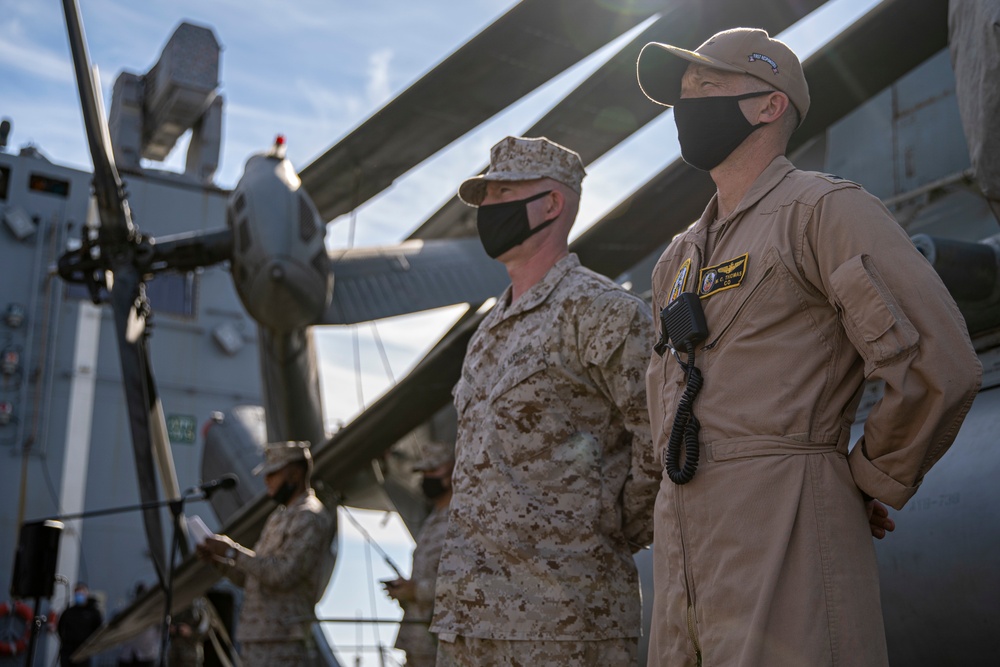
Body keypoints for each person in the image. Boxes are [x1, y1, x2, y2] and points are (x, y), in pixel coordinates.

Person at [635, 27, 983, 666]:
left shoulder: (823, 211)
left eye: (707, 87)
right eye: (682, 95)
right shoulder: (677, 259)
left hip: (786, 523)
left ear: (769, 105)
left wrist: (861, 478)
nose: (688, 106)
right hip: (685, 545)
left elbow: (939, 361)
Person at [429, 136, 659, 666]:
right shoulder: (487, 331)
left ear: (551, 204)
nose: (487, 209)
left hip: (563, 621)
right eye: (484, 197)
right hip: (467, 622)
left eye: (502, 192)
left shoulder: (601, 311)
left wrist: (608, 529)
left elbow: (662, 438)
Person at [196, 441, 335, 667]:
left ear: (295, 475)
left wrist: (233, 550)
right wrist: (219, 561)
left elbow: (281, 574)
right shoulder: (279, 517)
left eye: (273, 473)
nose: (266, 480)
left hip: (284, 638)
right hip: (258, 636)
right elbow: (252, 577)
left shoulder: (310, 517)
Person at [383, 441, 455, 667]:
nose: (426, 478)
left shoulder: (462, 519)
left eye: (433, 471)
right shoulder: (432, 520)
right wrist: (406, 590)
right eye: (423, 472)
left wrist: (417, 591)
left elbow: (468, 583)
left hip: (445, 643)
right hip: (420, 640)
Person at [56, 582, 102, 666]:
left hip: (83, 651)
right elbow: (60, 628)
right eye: (77, 592)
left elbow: (98, 630)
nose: (79, 595)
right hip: (68, 651)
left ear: (87, 593)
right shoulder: (68, 612)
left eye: (81, 592)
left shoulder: (93, 613)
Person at [116, 584, 160, 667]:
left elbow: (162, 628)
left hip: (147, 654)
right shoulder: (128, 609)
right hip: (128, 654)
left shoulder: (154, 611)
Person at [168, 597, 210, 667]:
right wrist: (171, 628)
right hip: (173, 652)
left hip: (190, 656)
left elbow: (208, 629)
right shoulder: (175, 599)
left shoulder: (201, 604)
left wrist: (190, 633)